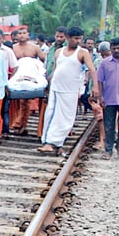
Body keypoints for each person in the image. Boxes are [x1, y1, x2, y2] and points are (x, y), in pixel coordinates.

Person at [38, 26, 99, 154]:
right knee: (51, 115)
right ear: (68, 38)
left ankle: (57, 142)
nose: (78, 41)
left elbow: (92, 69)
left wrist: (95, 87)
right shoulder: (58, 52)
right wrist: (47, 83)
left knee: (66, 118)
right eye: (76, 38)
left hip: (70, 90)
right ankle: (49, 143)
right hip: (56, 88)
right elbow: (55, 69)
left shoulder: (82, 53)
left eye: (80, 39)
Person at [10, 26, 46, 135]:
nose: (21, 35)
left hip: (31, 79)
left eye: (24, 33)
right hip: (18, 79)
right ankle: (18, 124)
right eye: (19, 33)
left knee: (27, 102)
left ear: (28, 35)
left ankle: (22, 125)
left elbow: (43, 61)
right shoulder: (13, 48)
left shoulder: (35, 48)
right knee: (17, 103)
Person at [0, 29, 18, 136]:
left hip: (3, 84)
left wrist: (9, 81)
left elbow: (15, 66)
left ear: (3, 38)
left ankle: (5, 130)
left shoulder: (7, 51)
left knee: (4, 109)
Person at [90, 41, 111, 150]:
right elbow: (93, 77)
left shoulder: (116, 62)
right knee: (100, 117)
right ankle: (102, 140)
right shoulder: (97, 61)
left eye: (106, 54)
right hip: (101, 93)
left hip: (113, 93)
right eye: (102, 54)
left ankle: (110, 138)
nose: (104, 57)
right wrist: (93, 91)